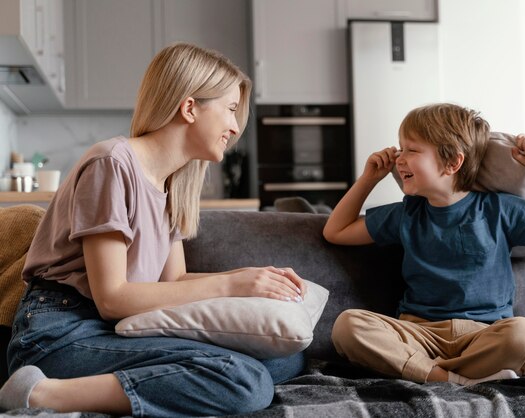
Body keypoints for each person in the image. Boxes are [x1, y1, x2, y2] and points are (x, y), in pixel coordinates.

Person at [0, 43, 308, 417]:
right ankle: (39, 394)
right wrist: (232, 286)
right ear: (190, 107)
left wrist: (250, 278)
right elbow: (111, 298)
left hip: (116, 328)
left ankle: (126, 387)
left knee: (285, 360)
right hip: (62, 332)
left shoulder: (169, 185)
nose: (235, 126)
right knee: (246, 381)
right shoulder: (112, 165)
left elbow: (174, 279)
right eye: (229, 109)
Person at [323, 103, 525, 386]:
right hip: (419, 333)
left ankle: (426, 374)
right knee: (348, 325)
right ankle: (458, 379)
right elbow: (337, 231)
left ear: (453, 163)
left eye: (411, 150)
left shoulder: (500, 210)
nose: (398, 159)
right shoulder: (406, 213)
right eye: (400, 148)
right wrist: (368, 178)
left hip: (483, 335)